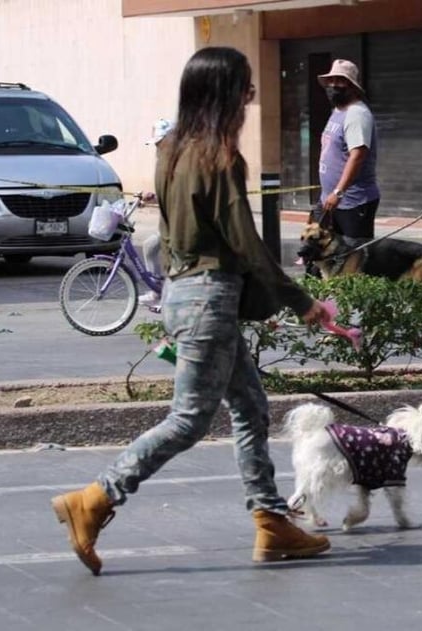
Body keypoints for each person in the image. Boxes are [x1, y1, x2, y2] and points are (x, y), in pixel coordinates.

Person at [51, 46, 333, 575]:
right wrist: (304, 302)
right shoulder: (220, 158)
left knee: (251, 405)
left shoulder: (171, 152)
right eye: (245, 88)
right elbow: (247, 244)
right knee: (188, 419)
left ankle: (271, 522)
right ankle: (95, 498)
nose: (251, 98)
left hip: (185, 292)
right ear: (225, 94)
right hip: (209, 297)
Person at [313, 59, 380, 240]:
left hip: (352, 201)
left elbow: (357, 155)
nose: (333, 85)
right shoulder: (338, 111)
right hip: (329, 200)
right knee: (318, 253)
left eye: (339, 81)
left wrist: (338, 192)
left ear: (351, 86)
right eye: (331, 81)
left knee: (354, 259)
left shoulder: (357, 114)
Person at [139, 118, 173, 308]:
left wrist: (156, 199)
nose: (158, 147)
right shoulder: (166, 162)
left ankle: (165, 296)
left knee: (172, 259)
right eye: (157, 144)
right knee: (150, 247)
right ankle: (156, 291)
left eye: (161, 143)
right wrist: (153, 198)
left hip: (178, 223)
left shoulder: (176, 163)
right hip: (169, 221)